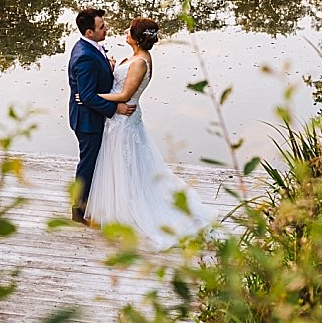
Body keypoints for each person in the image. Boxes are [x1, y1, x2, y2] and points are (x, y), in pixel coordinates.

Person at [85, 17, 224, 250]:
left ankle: (130, 210)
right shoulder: (133, 57)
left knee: (127, 165)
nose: (125, 32)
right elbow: (119, 83)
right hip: (117, 120)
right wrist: (111, 68)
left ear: (138, 38)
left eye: (129, 30)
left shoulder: (140, 62)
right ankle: (118, 207)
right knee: (119, 164)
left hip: (124, 120)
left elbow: (124, 95)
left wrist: (90, 97)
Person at [68, 7, 136, 225]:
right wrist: (115, 109)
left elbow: (88, 88)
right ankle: (78, 210)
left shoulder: (89, 47)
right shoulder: (85, 57)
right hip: (87, 120)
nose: (106, 28)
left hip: (90, 115)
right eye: (101, 26)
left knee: (93, 162)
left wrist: (108, 67)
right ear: (89, 32)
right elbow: (86, 95)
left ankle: (90, 203)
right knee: (88, 163)